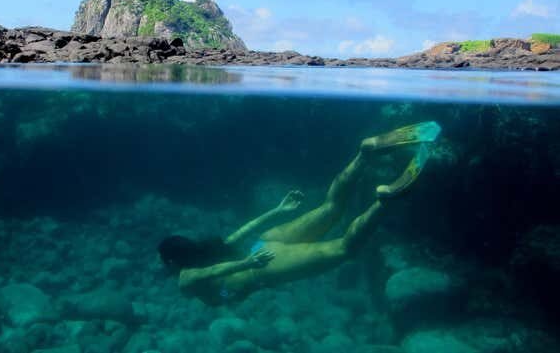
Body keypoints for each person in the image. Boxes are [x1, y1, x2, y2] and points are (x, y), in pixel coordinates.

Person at [158, 121, 441, 306]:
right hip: (265, 242)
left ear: (172, 261)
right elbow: (241, 232)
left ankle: (384, 201)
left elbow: (216, 270)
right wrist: (277, 211)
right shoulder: (207, 249)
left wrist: (248, 264)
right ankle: (364, 154)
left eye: (165, 263)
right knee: (332, 207)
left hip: (264, 265)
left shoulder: (186, 280)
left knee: (344, 247)